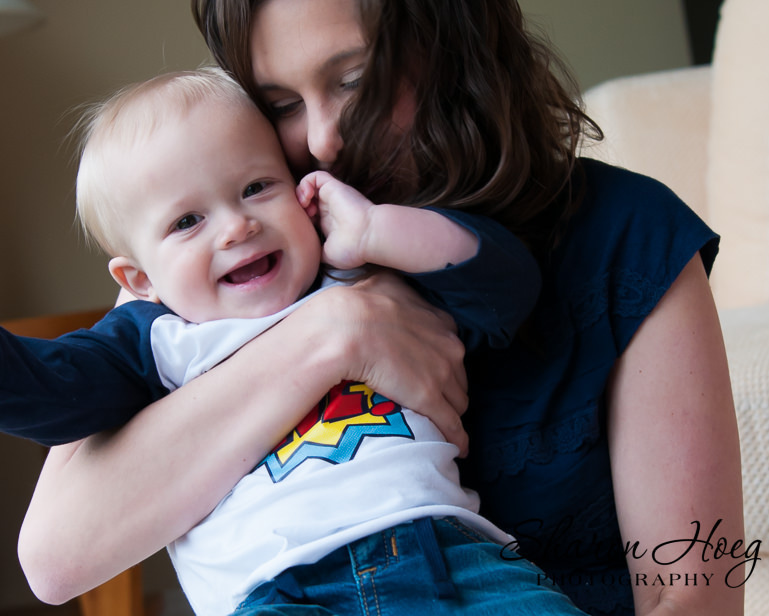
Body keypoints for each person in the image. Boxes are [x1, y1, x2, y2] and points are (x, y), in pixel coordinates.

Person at [18, 0, 745, 616]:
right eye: (281, 102)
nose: (325, 139)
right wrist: (338, 330)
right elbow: (57, 559)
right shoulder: (232, 265)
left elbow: (699, 600)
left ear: (455, 48)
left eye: (353, 79)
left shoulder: (627, 237)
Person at [4, 67, 592, 615]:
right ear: (140, 280)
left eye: (257, 186)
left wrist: (377, 230)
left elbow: (509, 288)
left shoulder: (358, 271)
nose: (237, 226)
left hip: (456, 560)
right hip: (281, 593)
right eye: (187, 222)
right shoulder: (152, 340)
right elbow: (52, 391)